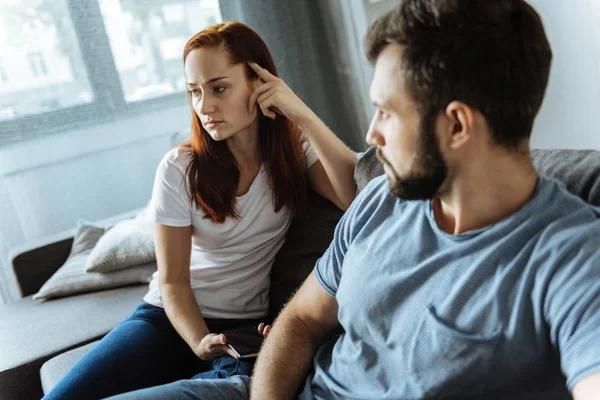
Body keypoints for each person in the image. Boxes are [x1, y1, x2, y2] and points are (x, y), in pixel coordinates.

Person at [106, 1, 600, 399]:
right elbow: (299, 320)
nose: (371, 134)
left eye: (386, 112)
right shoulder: (383, 198)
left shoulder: (571, 256)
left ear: (455, 124)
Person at [43, 21, 357, 400]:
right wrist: (197, 339)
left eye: (219, 88)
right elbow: (172, 281)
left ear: (260, 82)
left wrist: (301, 112)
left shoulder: (294, 152)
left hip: (243, 327)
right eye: (194, 91)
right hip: (165, 320)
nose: (204, 106)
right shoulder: (179, 168)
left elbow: (354, 198)